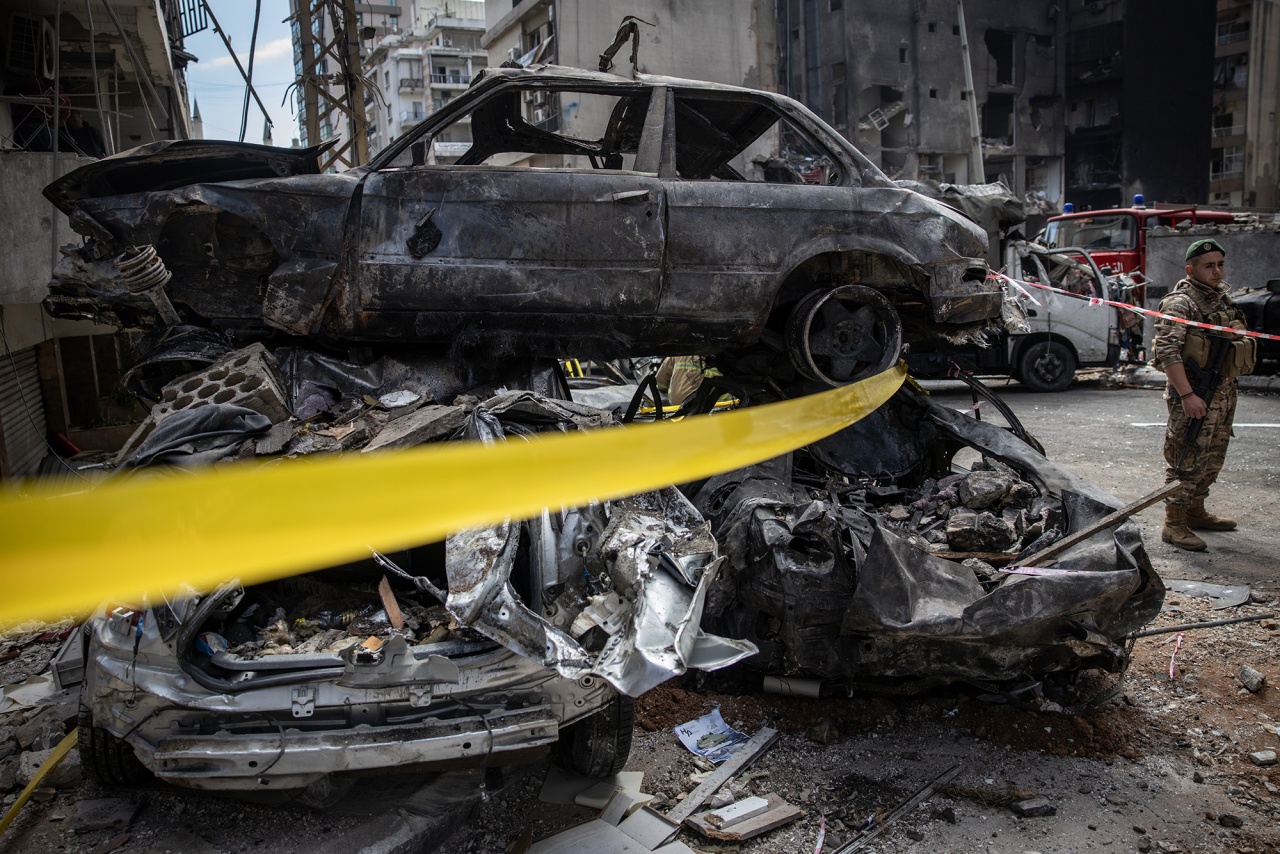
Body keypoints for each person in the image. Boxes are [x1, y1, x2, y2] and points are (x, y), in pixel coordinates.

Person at [1153, 237, 1253, 551]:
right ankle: (1174, 523)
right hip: (1194, 393)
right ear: (1191, 268)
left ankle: (1195, 512)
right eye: (1209, 266)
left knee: (1212, 460)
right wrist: (1186, 395)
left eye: (1220, 264)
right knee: (1186, 460)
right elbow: (1167, 352)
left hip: (1223, 393)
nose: (1217, 271)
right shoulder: (1181, 302)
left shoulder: (1223, 299)